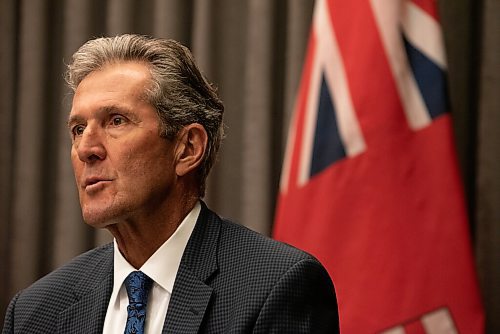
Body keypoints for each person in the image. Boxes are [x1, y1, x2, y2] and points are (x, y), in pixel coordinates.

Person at [2, 34, 339, 334]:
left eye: (116, 121)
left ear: (187, 148)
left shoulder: (276, 286)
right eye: (78, 129)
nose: (87, 149)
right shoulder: (35, 312)